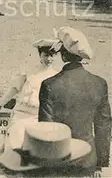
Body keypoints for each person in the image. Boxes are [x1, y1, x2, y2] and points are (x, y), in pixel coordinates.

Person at [39, 27, 111, 177]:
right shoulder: (99, 83)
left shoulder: (49, 85)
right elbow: (103, 127)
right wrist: (101, 163)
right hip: (88, 160)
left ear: (63, 55)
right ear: (81, 57)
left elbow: (46, 128)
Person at [0, 38, 59, 162]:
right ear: (40, 55)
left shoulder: (56, 75)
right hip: (21, 112)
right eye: (46, 55)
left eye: (52, 56)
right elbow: (14, 89)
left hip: (39, 115)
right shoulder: (29, 72)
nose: (49, 59)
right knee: (15, 138)